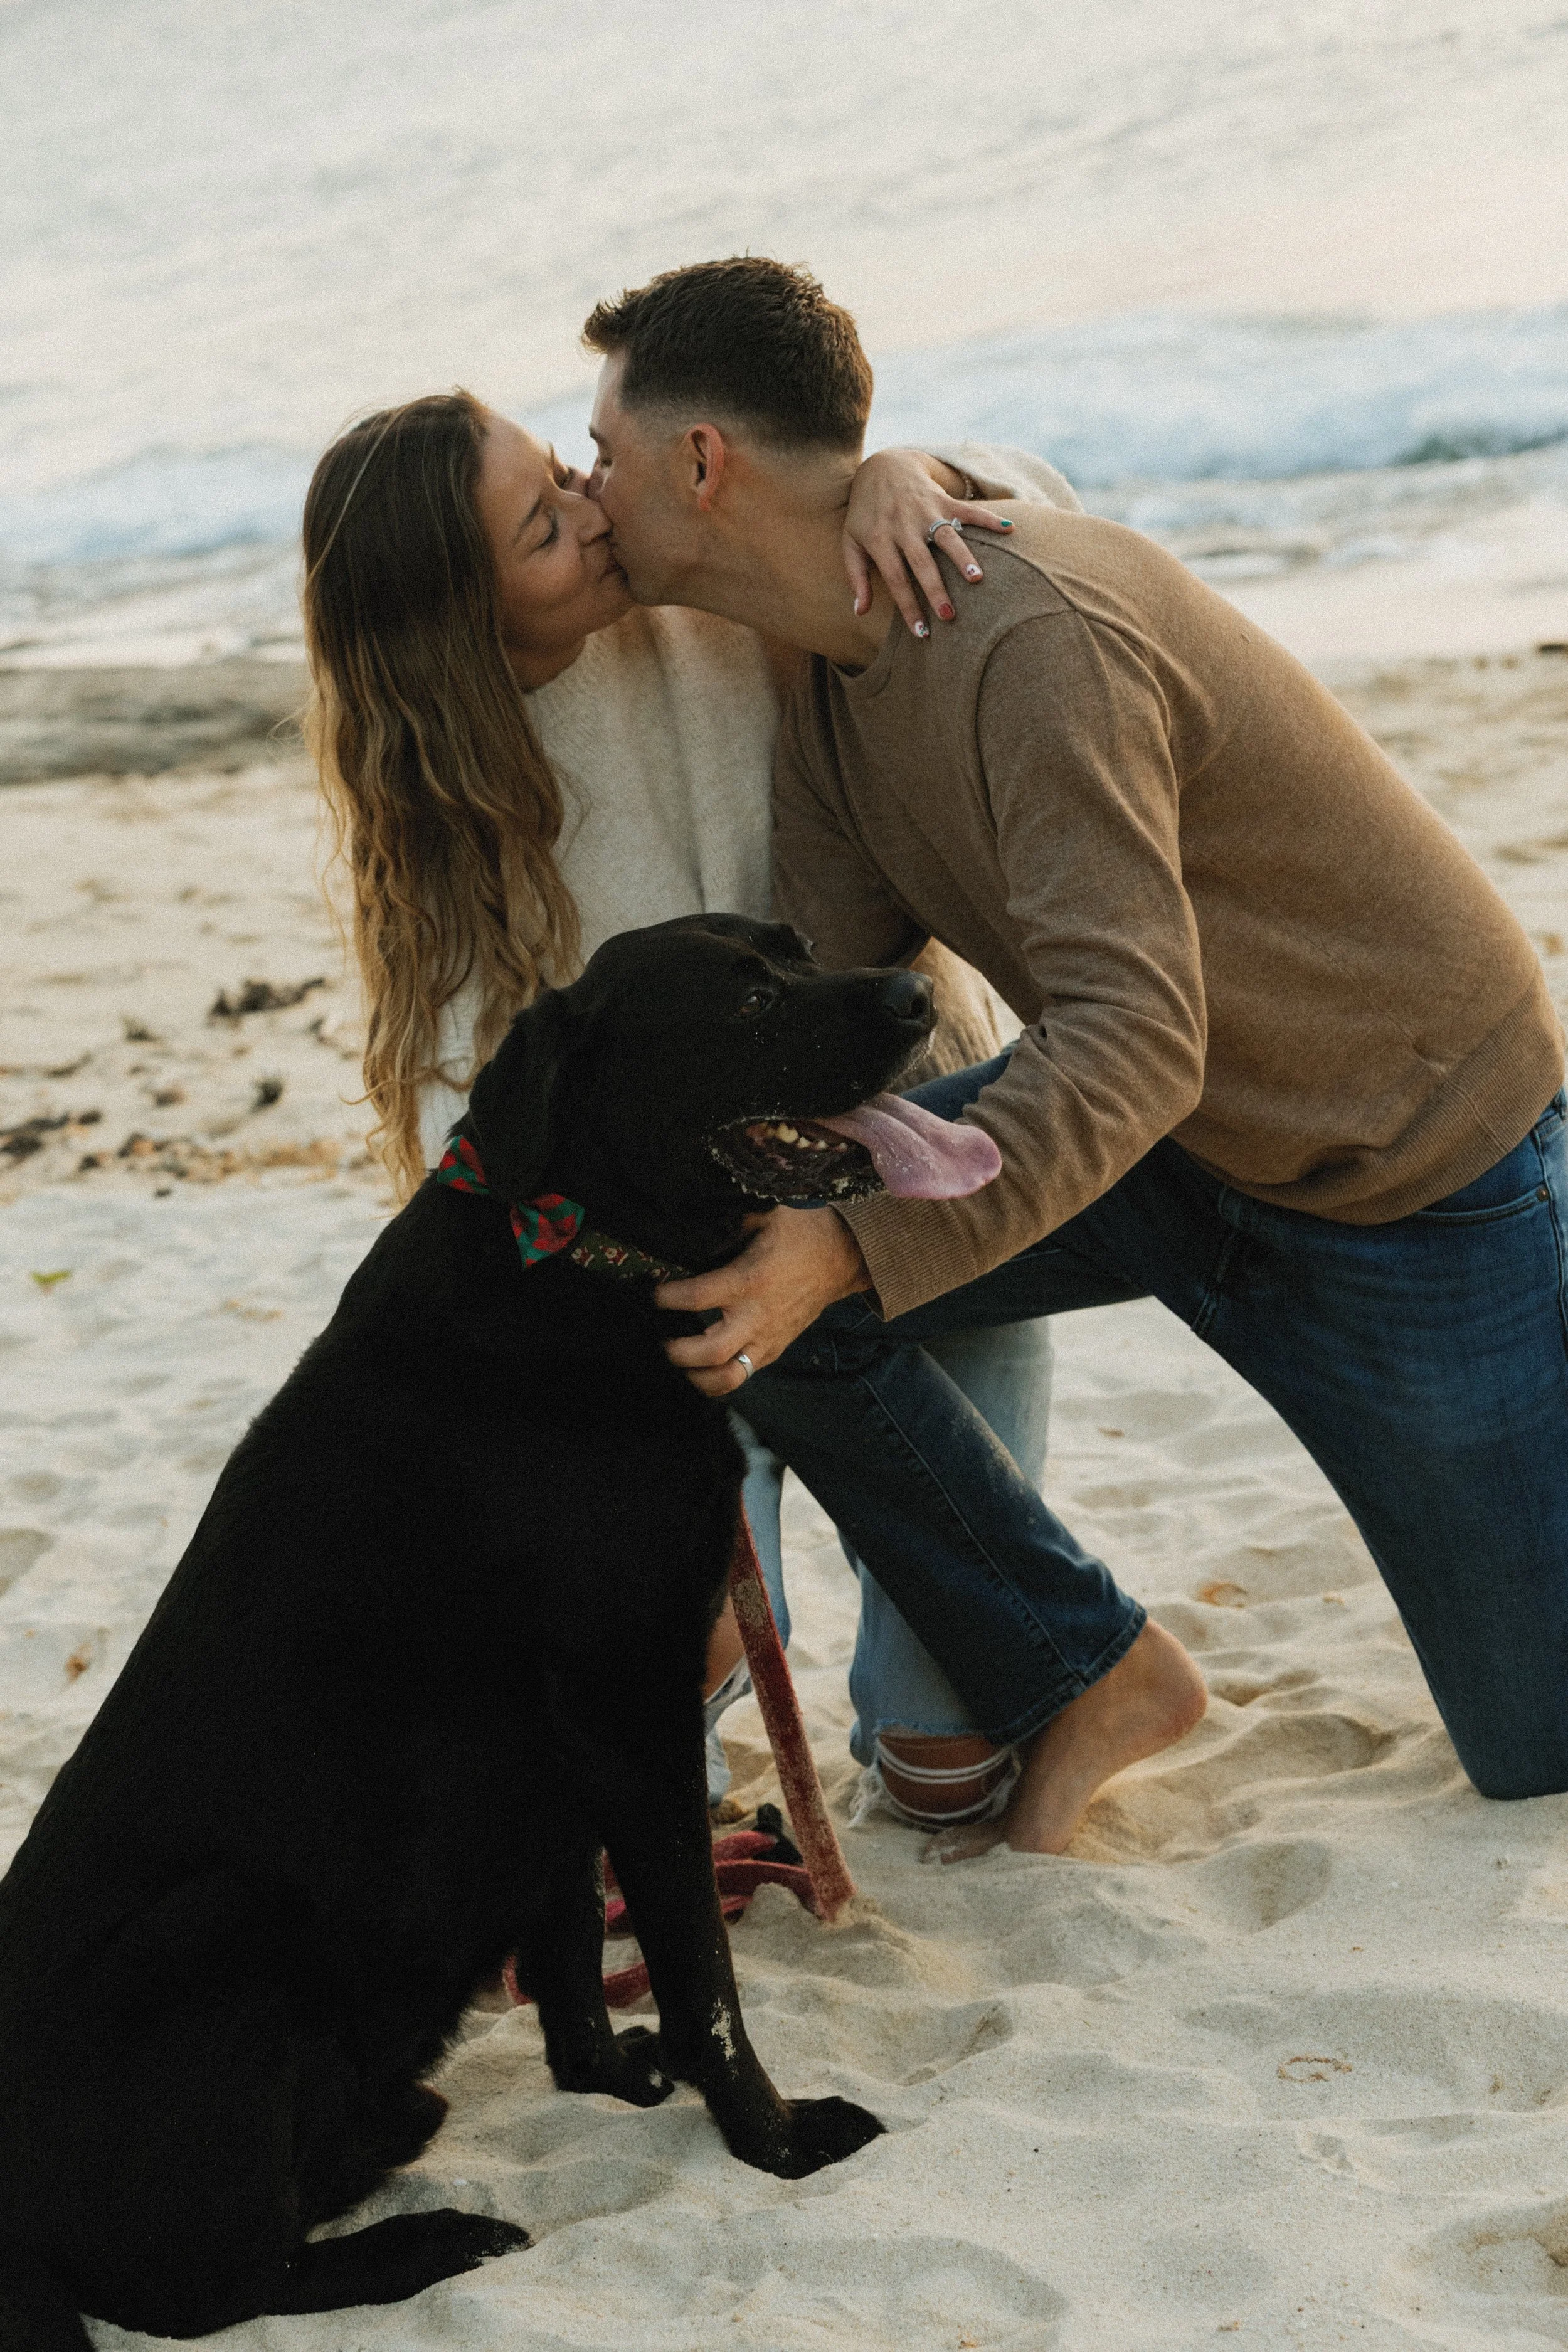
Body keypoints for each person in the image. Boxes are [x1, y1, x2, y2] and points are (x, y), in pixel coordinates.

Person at [575, 253, 1568, 1850]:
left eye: (604, 452)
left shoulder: (1025, 635)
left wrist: (855, 1237)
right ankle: (1089, 1664)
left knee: (1538, 1748)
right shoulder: (831, 676)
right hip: (1173, 1150)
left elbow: (1133, 1039)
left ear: (702, 464)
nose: (586, 485)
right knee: (745, 1276)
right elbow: (840, 1000)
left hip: (1408, 1176)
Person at [300, 388, 1116, 1841]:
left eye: (563, 470)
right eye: (542, 527)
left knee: (941, 1767)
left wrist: (909, 473)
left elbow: (1028, 508)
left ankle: (967, 1694)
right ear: (457, 623)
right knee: (664, 1667)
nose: (589, 509)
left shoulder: (696, 582)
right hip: (685, 1260)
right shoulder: (447, 822)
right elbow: (461, 1138)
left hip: (903, 1137)